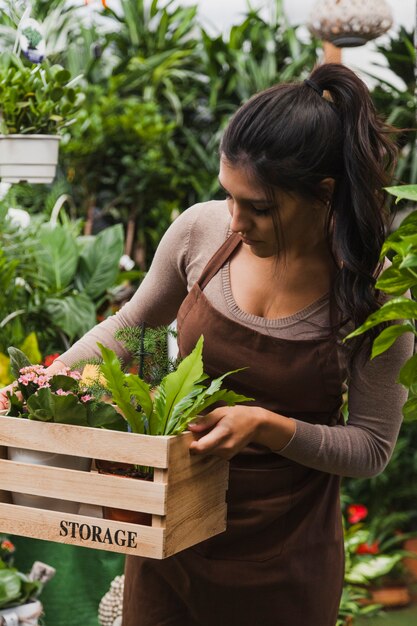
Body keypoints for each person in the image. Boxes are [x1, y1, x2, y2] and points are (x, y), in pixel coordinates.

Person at [0, 63, 414, 625]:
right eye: (229, 197)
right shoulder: (202, 231)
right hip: (169, 534)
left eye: (260, 207)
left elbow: (370, 447)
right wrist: (42, 386)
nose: (236, 221)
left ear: (324, 194)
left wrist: (268, 426)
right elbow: (134, 328)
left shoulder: (374, 295)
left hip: (282, 556)